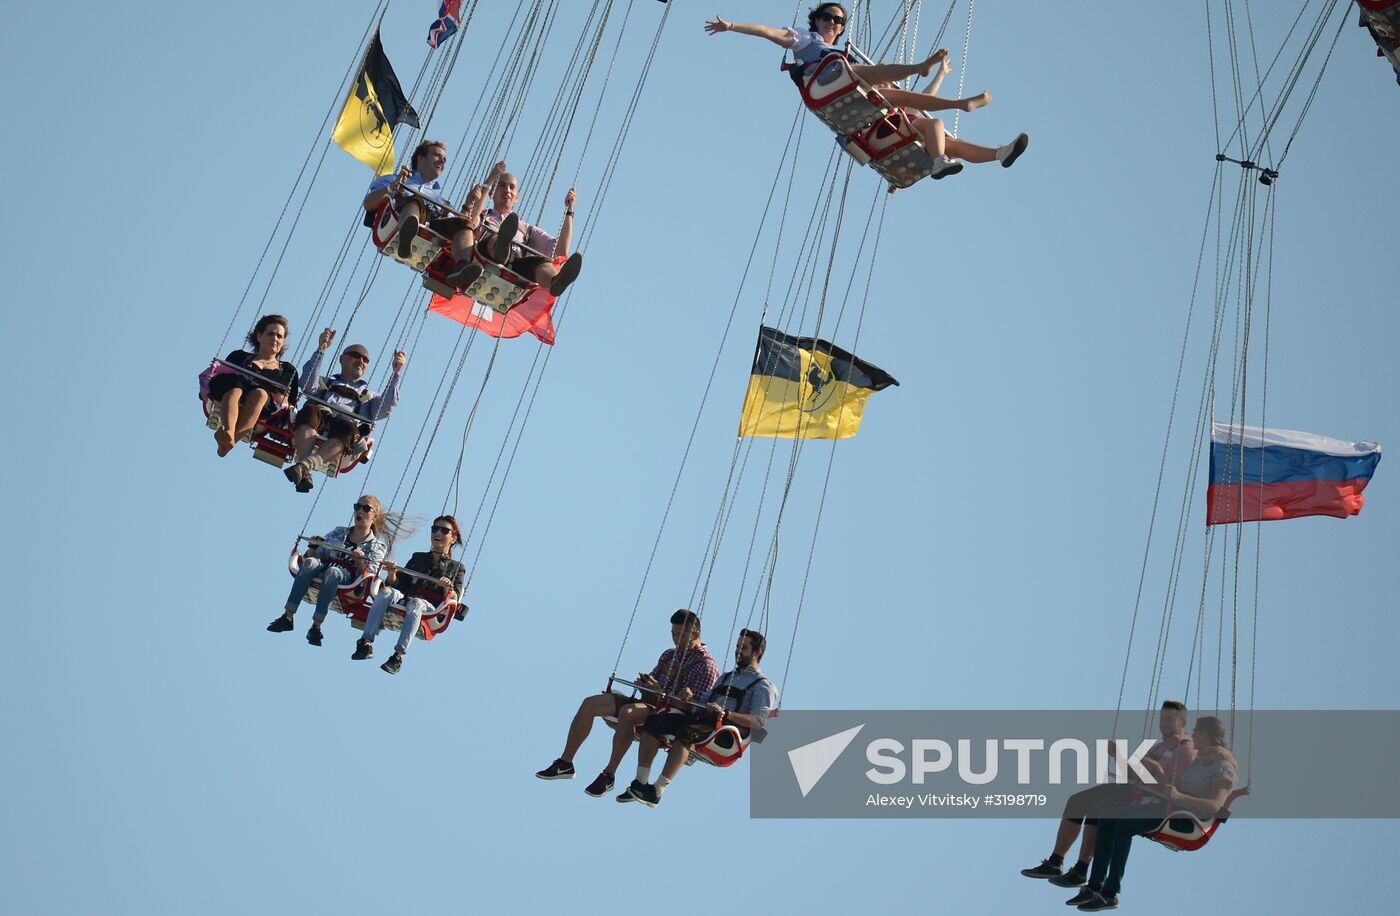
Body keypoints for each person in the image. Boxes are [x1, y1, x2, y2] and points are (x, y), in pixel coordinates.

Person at [705, 5, 1029, 176]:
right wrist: (731, 26)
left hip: (879, 114)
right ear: (816, 20)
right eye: (828, 17)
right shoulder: (806, 40)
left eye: (838, 21)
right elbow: (768, 32)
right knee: (871, 78)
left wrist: (941, 74)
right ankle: (935, 84)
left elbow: (919, 102)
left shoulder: (843, 56)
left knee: (936, 128)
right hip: (829, 82)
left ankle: (993, 154)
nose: (833, 23)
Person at [535, 610, 719, 798]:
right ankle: (565, 763)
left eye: (680, 635)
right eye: (673, 634)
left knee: (628, 712)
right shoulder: (669, 655)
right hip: (649, 702)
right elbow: (652, 686)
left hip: (667, 713)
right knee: (590, 703)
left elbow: (695, 709)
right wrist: (646, 685)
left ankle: (608, 775)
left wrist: (661, 692)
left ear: (695, 634)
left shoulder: (706, 665)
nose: (675, 639)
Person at [1065, 716, 1239, 911]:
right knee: (1107, 817)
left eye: (1196, 731)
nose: (1192, 734)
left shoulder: (1223, 768)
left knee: (1123, 826)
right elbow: (1175, 788)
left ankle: (1110, 893)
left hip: (1186, 819)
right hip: (1170, 807)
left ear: (1207, 735)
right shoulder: (1200, 761)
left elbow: (1214, 806)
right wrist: (1157, 770)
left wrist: (1179, 797)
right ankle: (1094, 886)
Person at [1021, 700, 1196, 888]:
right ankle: (1058, 863)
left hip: (1147, 798)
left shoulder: (1185, 749)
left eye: (1170, 720)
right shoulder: (1159, 745)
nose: (1164, 724)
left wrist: (1133, 763)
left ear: (1183, 723)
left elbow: (1166, 786)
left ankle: (1079, 870)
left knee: (1097, 807)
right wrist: (1118, 756)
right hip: (1133, 788)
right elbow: (1132, 773)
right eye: (1162, 719)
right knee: (1077, 801)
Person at [619, 628, 777, 808]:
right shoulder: (726, 677)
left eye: (744, 648)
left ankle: (657, 791)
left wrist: (726, 713)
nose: (738, 651)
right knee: (655, 721)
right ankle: (640, 782)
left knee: (686, 733)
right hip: (704, 720)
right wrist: (688, 698)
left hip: (725, 733)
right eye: (737, 646)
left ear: (757, 652)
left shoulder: (763, 685)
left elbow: (759, 720)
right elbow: (701, 703)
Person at [283, 328, 405, 493]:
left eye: (365, 360)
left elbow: (385, 408)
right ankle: (304, 468)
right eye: (355, 355)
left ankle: (304, 465)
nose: (361, 360)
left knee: (349, 429)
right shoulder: (325, 383)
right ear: (341, 359)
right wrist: (321, 350)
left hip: (345, 436)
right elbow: (307, 385)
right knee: (310, 411)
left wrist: (396, 374)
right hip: (317, 422)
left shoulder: (369, 397)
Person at [267, 495, 399, 646]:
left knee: (333, 573)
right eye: (357, 507)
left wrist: (359, 561)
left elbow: (369, 575)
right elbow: (318, 555)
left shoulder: (377, 547)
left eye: (366, 508)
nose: (360, 511)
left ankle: (316, 625)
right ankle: (288, 616)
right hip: (325, 565)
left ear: (374, 515)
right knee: (309, 563)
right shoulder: (339, 532)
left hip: (348, 578)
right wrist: (313, 546)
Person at [352, 514, 465, 675]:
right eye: (435, 529)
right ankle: (366, 642)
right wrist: (392, 573)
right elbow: (399, 584)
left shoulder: (457, 567)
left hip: (430, 607)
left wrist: (448, 588)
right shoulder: (418, 558)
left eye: (444, 531)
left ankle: (398, 656)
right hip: (407, 598)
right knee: (385, 592)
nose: (438, 533)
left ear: (453, 538)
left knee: (416, 603)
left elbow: (455, 596)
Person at [363, 139, 485, 289]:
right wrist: (393, 187)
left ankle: (461, 267)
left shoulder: (440, 200)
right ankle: (406, 235)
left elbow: (456, 225)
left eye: (444, 159)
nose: (442, 161)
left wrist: (469, 205)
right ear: (421, 159)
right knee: (416, 201)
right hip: (397, 218)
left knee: (464, 224)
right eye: (437, 155)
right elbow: (368, 204)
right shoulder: (395, 179)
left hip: (431, 225)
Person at [460, 160, 584, 298]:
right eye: (502, 185)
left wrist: (569, 210)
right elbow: (468, 222)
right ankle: (501, 245)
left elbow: (561, 250)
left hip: (515, 268)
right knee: (495, 238)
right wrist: (490, 180)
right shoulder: (482, 216)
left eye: (512, 187)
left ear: (517, 197)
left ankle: (555, 281)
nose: (507, 190)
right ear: (492, 193)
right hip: (485, 258)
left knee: (540, 262)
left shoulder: (526, 230)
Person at [207, 315, 299, 456]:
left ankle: (228, 441)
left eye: (279, 336)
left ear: (283, 342)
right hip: (232, 389)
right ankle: (228, 431)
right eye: (271, 334)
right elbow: (224, 374)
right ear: (259, 336)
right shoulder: (239, 356)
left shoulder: (288, 371)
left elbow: (291, 401)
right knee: (236, 387)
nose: (275, 339)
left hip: (264, 405)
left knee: (260, 393)